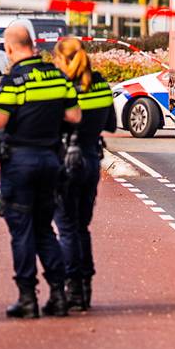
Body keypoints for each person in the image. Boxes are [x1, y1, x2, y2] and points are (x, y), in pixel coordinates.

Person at [0, 22, 81, 319]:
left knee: (21, 232)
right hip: (50, 161)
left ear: (10, 48)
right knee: (44, 229)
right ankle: (58, 294)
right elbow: (74, 115)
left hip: (20, 162)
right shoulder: (57, 76)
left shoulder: (14, 81)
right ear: (33, 44)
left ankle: (27, 298)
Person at [51, 37, 116, 312]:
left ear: (63, 59)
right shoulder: (100, 84)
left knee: (66, 228)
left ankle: (74, 289)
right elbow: (111, 124)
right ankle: (85, 288)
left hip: (65, 162)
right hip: (91, 161)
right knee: (81, 227)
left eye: (56, 59)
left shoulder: (61, 87)